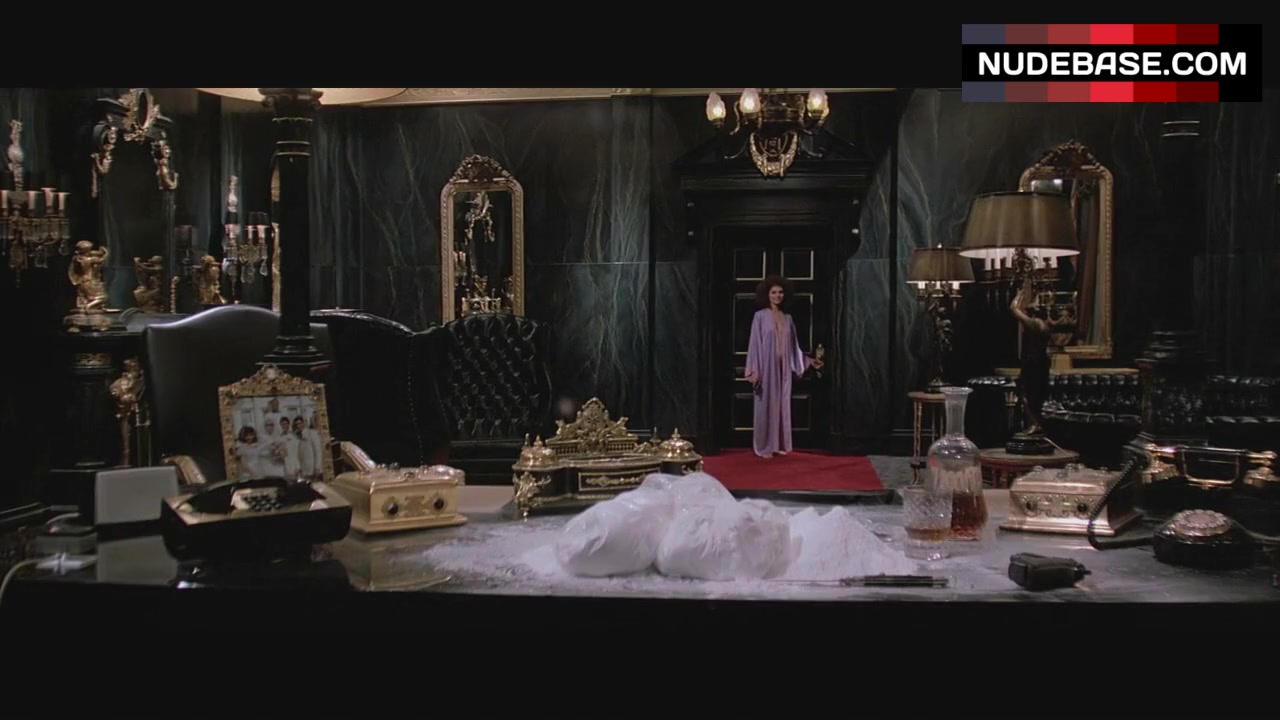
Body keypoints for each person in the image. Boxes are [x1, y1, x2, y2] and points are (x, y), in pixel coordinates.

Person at [744, 275, 823, 458]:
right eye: (774, 292)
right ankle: (764, 446)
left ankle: (778, 444)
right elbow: (754, 344)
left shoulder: (788, 319)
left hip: (784, 369)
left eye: (780, 292)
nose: (777, 296)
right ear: (767, 294)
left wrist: (808, 361)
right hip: (766, 368)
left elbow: (794, 347)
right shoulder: (760, 317)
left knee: (781, 405)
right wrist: (754, 370)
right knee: (765, 406)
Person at [1009, 278, 1050, 436]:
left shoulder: (1034, 324)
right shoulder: (1045, 325)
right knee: (1035, 395)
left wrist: (1019, 295)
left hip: (1032, 363)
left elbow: (1013, 309)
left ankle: (1034, 423)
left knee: (1027, 395)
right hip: (1040, 363)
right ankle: (1035, 423)